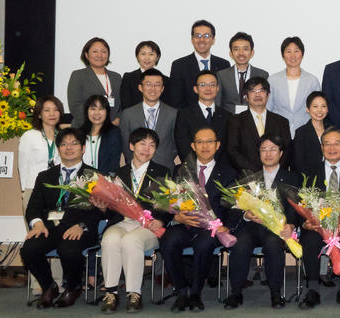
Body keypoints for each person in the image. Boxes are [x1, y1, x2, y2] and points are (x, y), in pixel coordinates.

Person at [20, 128, 100, 309]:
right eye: (63, 144)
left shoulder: (93, 176)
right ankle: (49, 286)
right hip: (50, 228)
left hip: (78, 229)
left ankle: (73, 287)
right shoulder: (45, 176)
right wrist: (37, 223)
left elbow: (100, 211)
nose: (68, 148)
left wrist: (82, 225)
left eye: (74, 144)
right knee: (29, 249)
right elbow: (33, 207)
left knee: (69, 249)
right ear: (58, 149)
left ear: (83, 148)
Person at [161, 126, 238, 312]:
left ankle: (195, 293)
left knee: (204, 245)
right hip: (184, 224)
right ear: (193, 146)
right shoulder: (180, 170)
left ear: (217, 145)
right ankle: (181, 292)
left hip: (211, 228)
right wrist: (176, 216)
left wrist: (227, 226)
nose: (205, 146)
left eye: (209, 141)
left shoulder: (229, 173)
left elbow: (234, 205)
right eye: (200, 142)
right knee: (168, 241)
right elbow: (167, 201)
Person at [96, 127, 171, 314]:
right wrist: (102, 207)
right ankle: (111, 292)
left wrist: (161, 221)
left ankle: (134, 294)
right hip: (121, 222)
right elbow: (110, 211)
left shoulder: (162, 172)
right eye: (142, 144)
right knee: (109, 239)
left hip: (149, 226)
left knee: (131, 241)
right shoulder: (118, 174)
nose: (147, 149)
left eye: (152, 145)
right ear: (131, 146)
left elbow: (170, 205)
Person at [224, 134, 301, 310]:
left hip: (275, 228)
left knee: (274, 245)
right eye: (264, 149)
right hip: (250, 226)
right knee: (239, 244)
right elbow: (233, 207)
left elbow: (295, 207)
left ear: (281, 153)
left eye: (273, 149)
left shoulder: (291, 178)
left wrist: (290, 224)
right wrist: (246, 215)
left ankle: (275, 293)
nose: (268, 153)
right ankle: (236, 292)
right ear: (258, 153)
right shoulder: (249, 177)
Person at [297, 127, 340, 309]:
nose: (332, 147)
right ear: (321, 147)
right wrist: (305, 223)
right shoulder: (310, 172)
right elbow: (301, 201)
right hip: (317, 226)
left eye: (336, 143)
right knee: (310, 240)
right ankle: (312, 290)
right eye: (327, 143)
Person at [226, 77, 292, 173]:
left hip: (276, 177)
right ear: (246, 97)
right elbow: (232, 150)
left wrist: (272, 171)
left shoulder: (281, 121)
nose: (257, 94)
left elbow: (287, 150)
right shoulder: (236, 121)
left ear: (268, 95)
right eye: (253, 91)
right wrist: (256, 172)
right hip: (246, 177)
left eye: (261, 90)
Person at [119, 68, 178, 168]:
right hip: (136, 168)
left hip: (164, 168)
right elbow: (126, 143)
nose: (153, 89)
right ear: (140, 87)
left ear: (162, 88)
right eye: (148, 84)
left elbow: (175, 144)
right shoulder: (128, 114)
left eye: (157, 85)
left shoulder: (174, 113)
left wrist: (164, 158)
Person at [269, 36, 323, 138]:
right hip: (278, 133)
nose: (292, 56)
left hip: (305, 133)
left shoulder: (312, 81)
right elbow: (268, 109)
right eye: (288, 51)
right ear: (283, 55)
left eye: (296, 51)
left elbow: (318, 109)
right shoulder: (272, 80)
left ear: (302, 54)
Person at [169, 20, 230, 109]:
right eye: (198, 36)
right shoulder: (179, 65)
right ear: (192, 39)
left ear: (213, 39)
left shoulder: (223, 64)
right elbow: (176, 100)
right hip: (189, 119)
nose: (202, 40)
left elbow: (225, 97)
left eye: (206, 36)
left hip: (218, 118)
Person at [174, 70, 232, 163]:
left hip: (221, 169)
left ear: (217, 88)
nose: (208, 88)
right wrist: (196, 166)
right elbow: (182, 144)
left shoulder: (227, 116)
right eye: (202, 85)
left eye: (212, 85)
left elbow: (228, 146)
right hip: (193, 168)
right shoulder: (184, 114)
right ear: (195, 89)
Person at [19, 96, 63, 208]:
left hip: (58, 190)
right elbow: (22, 165)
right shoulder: (29, 136)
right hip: (33, 187)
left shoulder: (64, 136)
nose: (52, 114)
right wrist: (24, 189)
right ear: (39, 114)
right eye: (47, 110)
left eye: (56, 110)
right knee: (35, 224)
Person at [68, 37, 121, 127]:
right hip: (84, 128)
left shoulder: (116, 77)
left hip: (111, 129)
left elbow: (122, 104)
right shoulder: (78, 75)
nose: (99, 55)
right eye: (95, 51)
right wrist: (95, 126)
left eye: (103, 51)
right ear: (86, 55)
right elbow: (75, 105)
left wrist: (118, 120)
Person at [216, 32, 269, 112]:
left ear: (252, 53)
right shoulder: (221, 75)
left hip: (253, 121)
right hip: (228, 121)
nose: (241, 53)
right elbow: (218, 103)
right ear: (231, 53)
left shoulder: (263, 75)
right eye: (236, 49)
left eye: (245, 49)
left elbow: (265, 103)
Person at [77, 95, 122, 175]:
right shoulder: (79, 133)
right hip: (80, 181)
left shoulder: (114, 133)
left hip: (105, 181)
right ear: (87, 111)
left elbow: (114, 162)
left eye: (101, 109)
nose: (97, 113)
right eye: (93, 109)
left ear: (107, 111)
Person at [120, 41, 170, 111]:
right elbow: (126, 104)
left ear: (157, 57)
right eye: (143, 54)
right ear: (137, 56)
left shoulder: (166, 80)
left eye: (151, 54)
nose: (147, 58)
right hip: (134, 119)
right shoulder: (128, 78)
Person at [291, 92, 332, 172]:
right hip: (310, 179)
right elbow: (298, 163)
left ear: (327, 109)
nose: (319, 110)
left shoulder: (333, 131)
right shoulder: (301, 133)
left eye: (323, 106)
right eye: (315, 106)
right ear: (308, 109)